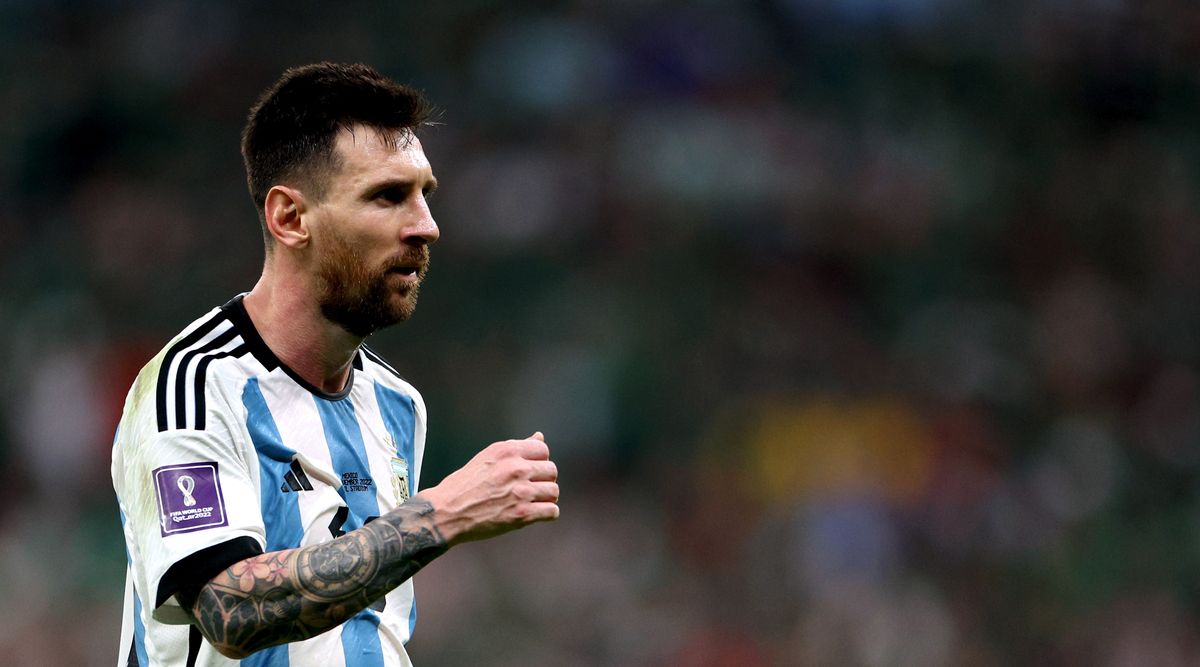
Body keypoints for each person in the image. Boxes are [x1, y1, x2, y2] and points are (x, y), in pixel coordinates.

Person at [111, 62, 561, 667]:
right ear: (290, 218)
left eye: (424, 194)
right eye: (387, 196)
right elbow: (228, 609)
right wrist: (442, 514)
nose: (426, 226)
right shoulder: (195, 386)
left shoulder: (397, 404)